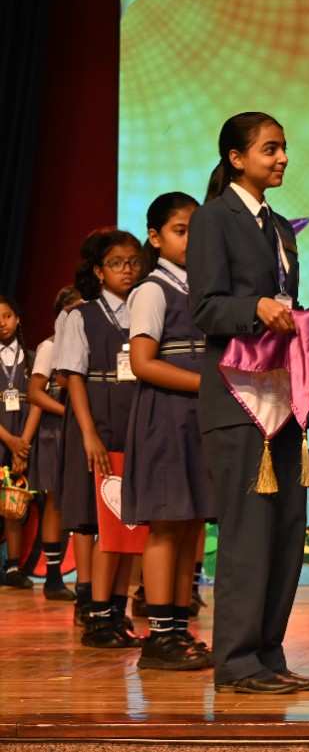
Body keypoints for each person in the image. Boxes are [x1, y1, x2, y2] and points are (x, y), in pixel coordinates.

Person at [188, 112, 309, 695]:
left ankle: (268, 653)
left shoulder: (281, 227)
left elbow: (289, 305)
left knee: (286, 529)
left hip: (282, 396)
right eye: (270, 148)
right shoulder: (213, 219)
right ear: (236, 159)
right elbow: (206, 308)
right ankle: (237, 662)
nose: (282, 157)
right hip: (237, 401)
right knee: (247, 534)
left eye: (283, 147)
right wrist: (254, 308)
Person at [122, 192, 214, 671]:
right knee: (165, 524)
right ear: (155, 238)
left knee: (190, 522)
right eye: (181, 231)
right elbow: (142, 363)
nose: (191, 240)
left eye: (197, 231)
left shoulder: (202, 288)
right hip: (165, 416)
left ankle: (179, 629)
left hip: (197, 418)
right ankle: (159, 636)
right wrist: (205, 384)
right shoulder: (152, 290)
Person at [56, 229, 145, 646]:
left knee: (129, 523)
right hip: (96, 426)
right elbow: (73, 377)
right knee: (99, 524)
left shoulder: (147, 310)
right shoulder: (81, 316)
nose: (127, 270)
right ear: (98, 270)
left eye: (133, 262)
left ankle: (117, 612)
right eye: (116, 263)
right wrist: (89, 434)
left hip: (135, 425)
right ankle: (96, 616)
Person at [23, 286, 83, 601]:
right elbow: (34, 394)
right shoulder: (49, 347)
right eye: (72, 310)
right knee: (55, 502)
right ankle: (54, 577)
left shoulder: (87, 344)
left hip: (78, 429)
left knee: (74, 502)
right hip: (54, 432)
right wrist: (68, 412)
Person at [0, 296, 34, 588]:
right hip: (3, 438)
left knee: (14, 501)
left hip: (24, 442)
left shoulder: (32, 359)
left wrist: (21, 445)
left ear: (18, 318)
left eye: (7, 316)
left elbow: (36, 404)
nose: (2, 323)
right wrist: (9, 441)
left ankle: (13, 567)